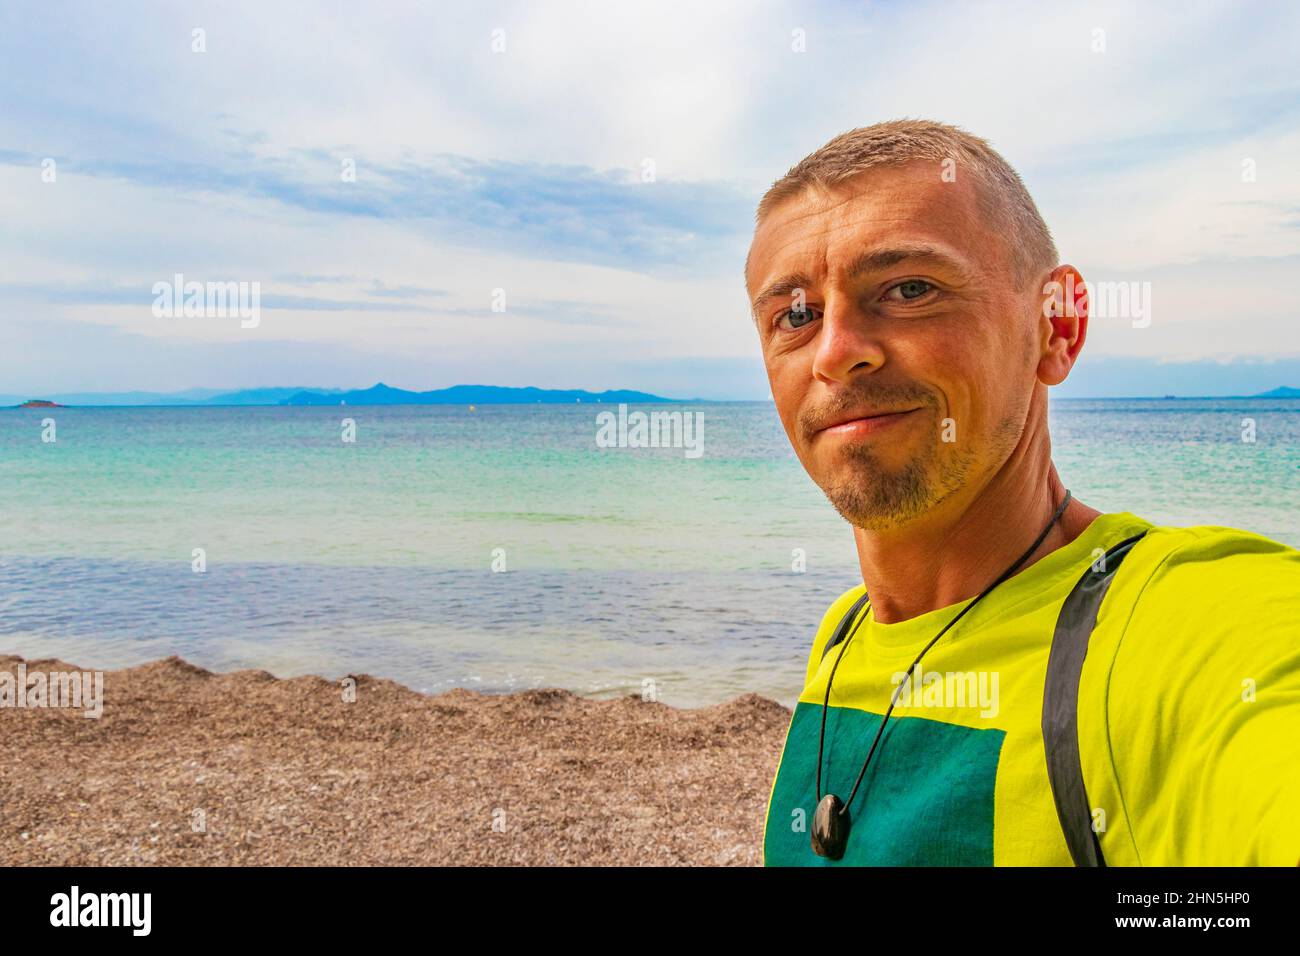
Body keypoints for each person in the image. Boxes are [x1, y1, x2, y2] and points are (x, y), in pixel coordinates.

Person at [746, 119, 1300, 866]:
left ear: (1057, 326)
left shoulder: (1182, 627)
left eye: (909, 289)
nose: (837, 352)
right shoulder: (844, 638)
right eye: (796, 315)